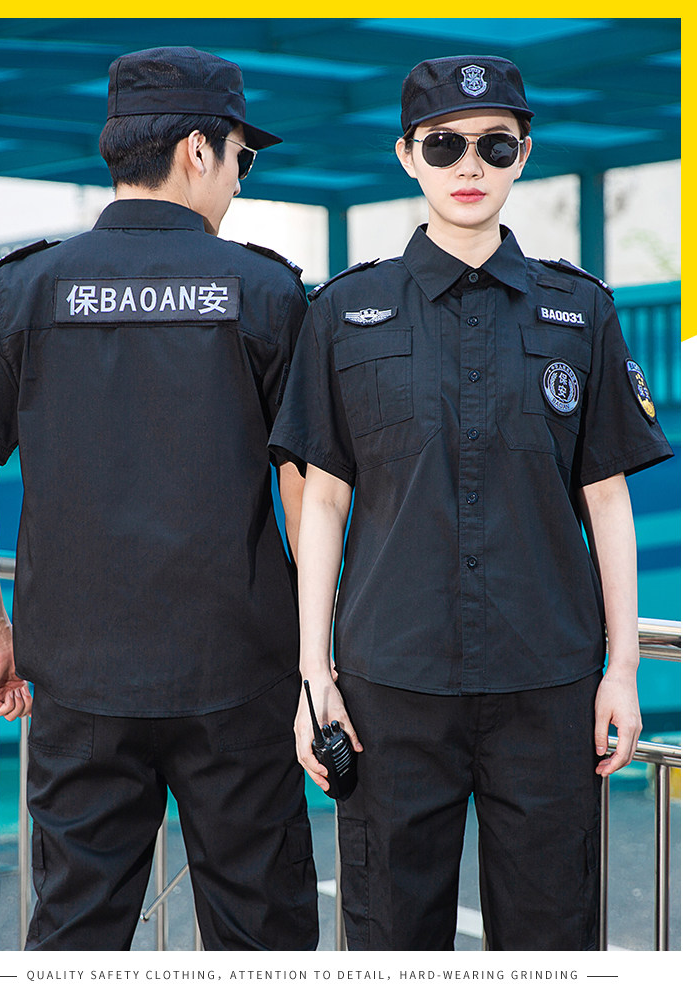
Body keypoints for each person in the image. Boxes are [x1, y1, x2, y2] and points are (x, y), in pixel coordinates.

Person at [269, 54, 673, 951]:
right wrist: (313, 675)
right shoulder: (344, 312)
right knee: (391, 942)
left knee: (553, 943)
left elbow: (607, 500)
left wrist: (622, 669)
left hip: (548, 684)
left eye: (495, 146)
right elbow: (322, 503)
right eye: (444, 144)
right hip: (388, 690)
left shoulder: (581, 312)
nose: (469, 166)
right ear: (406, 155)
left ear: (523, 155)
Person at [0, 46, 318, 952]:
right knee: (260, 934)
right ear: (196, 150)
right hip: (238, 676)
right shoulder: (265, 291)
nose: (240, 181)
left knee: (76, 933)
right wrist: (317, 656)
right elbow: (303, 492)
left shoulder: (22, 287)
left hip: (78, 679)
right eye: (241, 157)